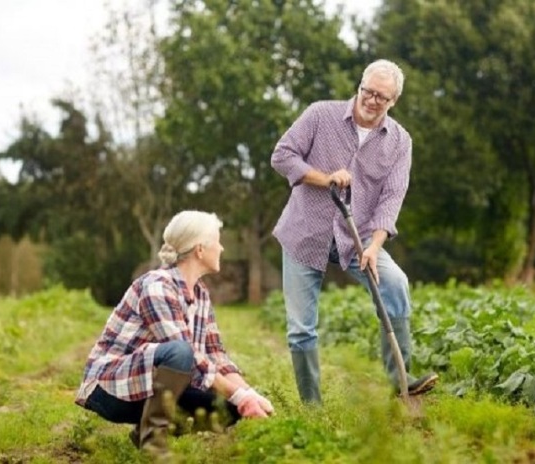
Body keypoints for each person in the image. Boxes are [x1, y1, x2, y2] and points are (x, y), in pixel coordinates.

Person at [270, 59, 438, 404]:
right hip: (305, 233)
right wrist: (325, 177)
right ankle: (312, 408)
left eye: (383, 97)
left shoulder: (400, 142)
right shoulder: (320, 115)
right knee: (302, 327)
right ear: (360, 86)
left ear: (394, 101)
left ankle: (401, 379)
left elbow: (392, 198)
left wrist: (375, 246)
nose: (373, 100)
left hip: (357, 238)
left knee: (395, 284)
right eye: (369, 91)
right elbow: (282, 156)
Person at [75, 210, 274, 458]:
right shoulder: (157, 285)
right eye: (218, 241)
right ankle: (153, 445)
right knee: (182, 352)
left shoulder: (200, 295)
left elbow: (216, 355)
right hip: (110, 389)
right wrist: (239, 395)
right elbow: (184, 351)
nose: (222, 248)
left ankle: (144, 431)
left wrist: (248, 395)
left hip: (146, 386)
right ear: (200, 250)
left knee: (230, 408)